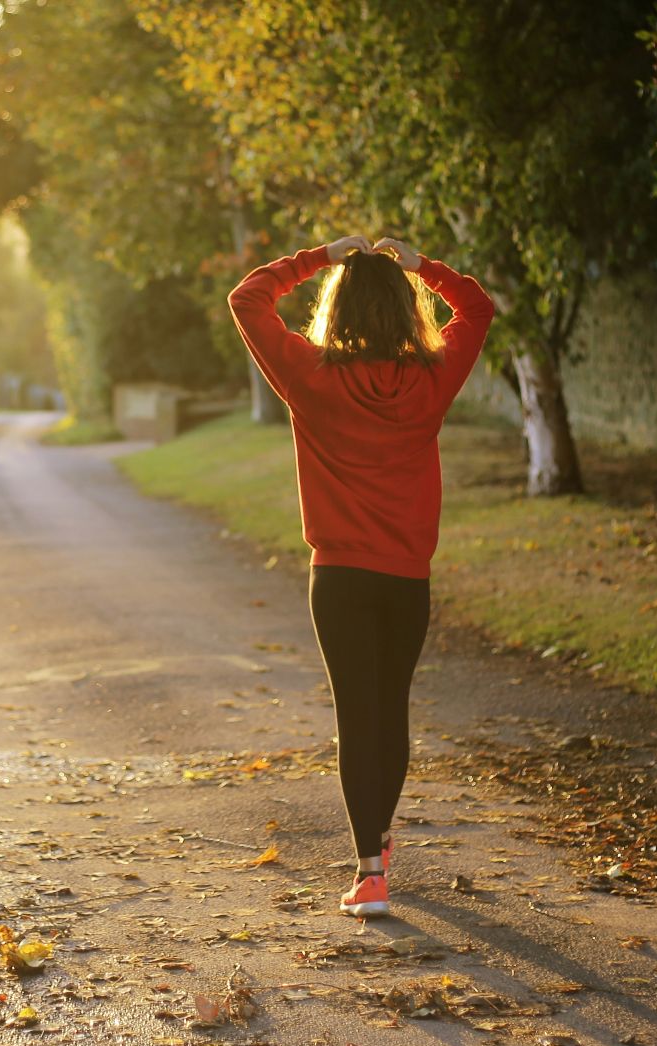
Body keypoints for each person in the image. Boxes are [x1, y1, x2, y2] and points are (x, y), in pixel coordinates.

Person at [228, 234, 495, 918]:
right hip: (406, 577)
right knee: (391, 712)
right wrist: (422, 268)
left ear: (337, 309)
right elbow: (479, 307)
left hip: (340, 578)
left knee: (357, 716)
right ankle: (376, 841)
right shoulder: (432, 379)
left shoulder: (310, 376)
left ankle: (370, 871)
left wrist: (319, 256)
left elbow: (247, 298)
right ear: (406, 313)